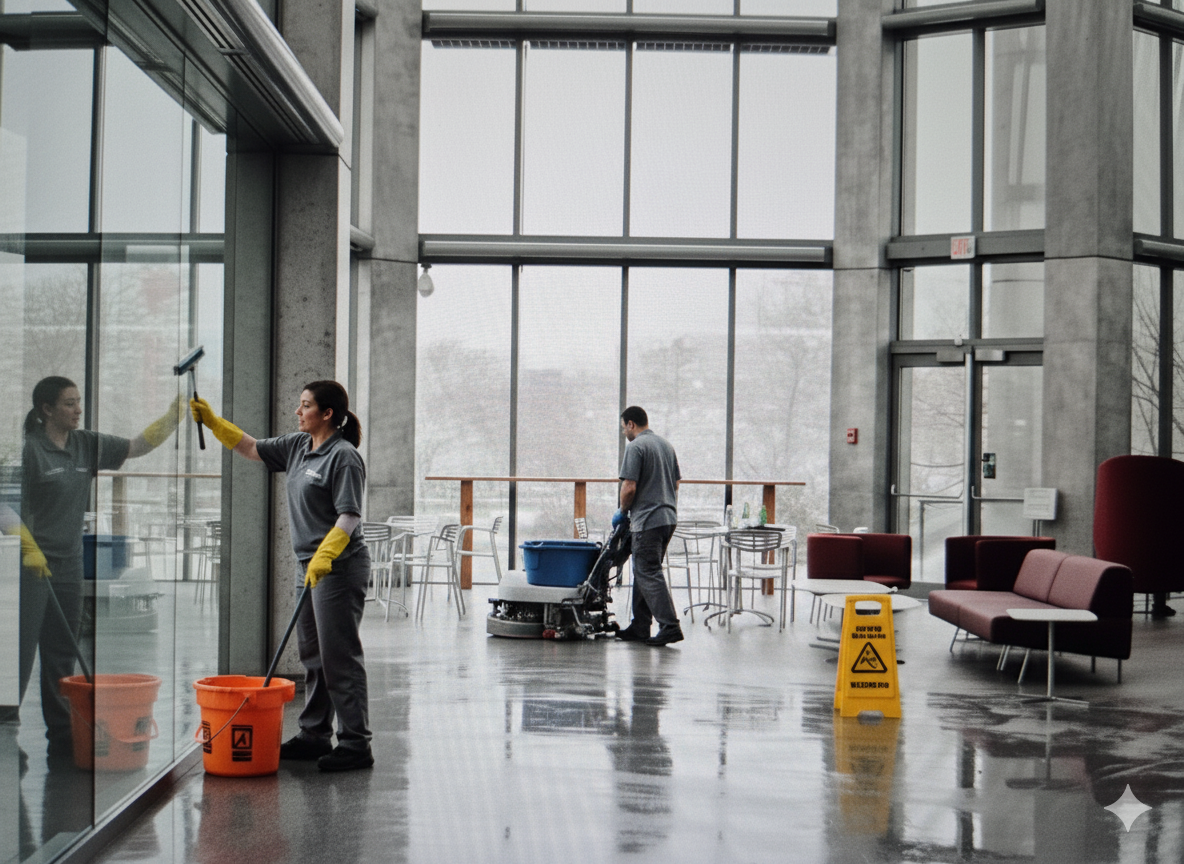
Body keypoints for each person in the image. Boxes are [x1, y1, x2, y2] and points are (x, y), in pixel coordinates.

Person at [190, 380, 374, 771]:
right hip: (308, 563)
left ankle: (356, 744)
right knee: (312, 654)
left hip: (338, 567)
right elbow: (252, 448)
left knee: (338, 656)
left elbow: (350, 514)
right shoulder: (296, 446)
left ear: (327, 414)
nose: (297, 411)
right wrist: (211, 421)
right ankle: (314, 734)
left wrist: (326, 553)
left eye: (305, 405)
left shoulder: (343, 457)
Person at [0, 376, 182, 762]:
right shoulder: (29, 449)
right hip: (28, 564)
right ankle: (4, 735)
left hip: (67, 565)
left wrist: (172, 417)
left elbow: (135, 447)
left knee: (62, 652)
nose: (78, 410)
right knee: (18, 655)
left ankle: (64, 738)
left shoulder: (86, 444)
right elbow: (3, 502)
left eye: (78, 402)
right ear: (46, 409)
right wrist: (26, 544)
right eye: (69, 403)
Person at [614, 406, 683, 646]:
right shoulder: (666, 445)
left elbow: (629, 486)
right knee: (644, 570)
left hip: (648, 520)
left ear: (631, 424)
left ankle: (670, 626)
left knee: (648, 572)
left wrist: (623, 512)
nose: (624, 432)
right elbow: (675, 484)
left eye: (624, 427)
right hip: (668, 518)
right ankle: (640, 626)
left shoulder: (636, 447)